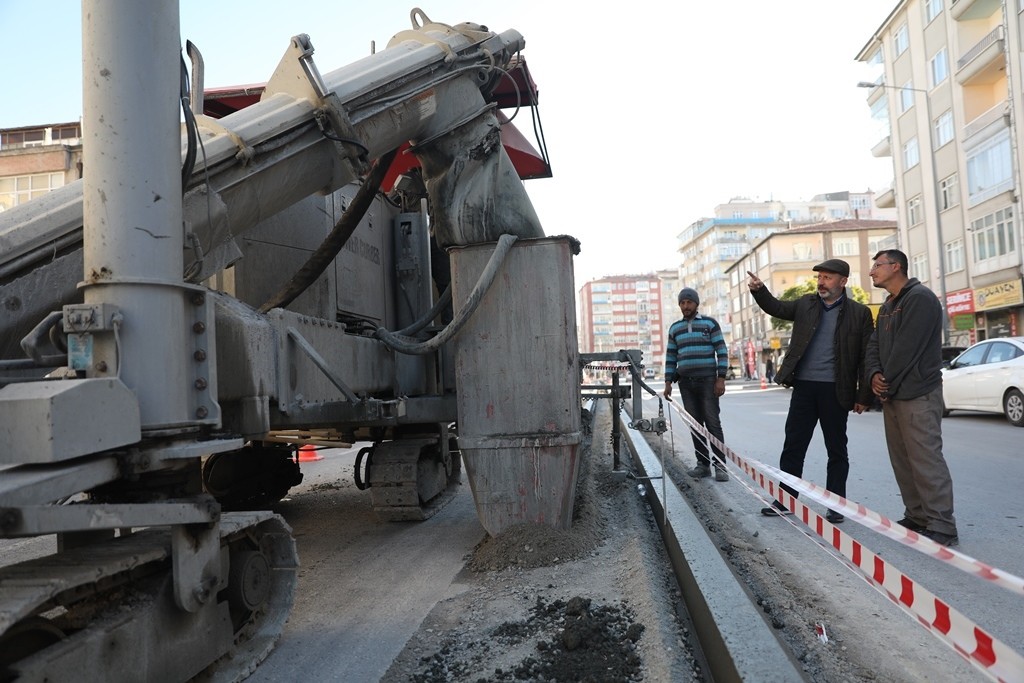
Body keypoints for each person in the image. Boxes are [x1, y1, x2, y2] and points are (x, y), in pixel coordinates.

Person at [747, 259, 874, 524]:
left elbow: (865, 356)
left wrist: (863, 396)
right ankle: (786, 499)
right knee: (793, 446)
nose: (821, 282)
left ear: (843, 281)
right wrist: (760, 290)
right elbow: (777, 307)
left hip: (836, 390)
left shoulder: (859, 313)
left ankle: (836, 504)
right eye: (819, 278)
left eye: (827, 278)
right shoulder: (806, 304)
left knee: (836, 450)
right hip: (804, 387)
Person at [864, 249, 959, 546]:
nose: (871, 271)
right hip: (893, 393)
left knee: (926, 459)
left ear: (896, 267)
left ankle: (942, 525)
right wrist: (873, 375)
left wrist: (885, 381)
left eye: (877, 265)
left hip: (918, 392)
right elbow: (874, 345)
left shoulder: (920, 298)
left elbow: (908, 349)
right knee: (902, 460)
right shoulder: (888, 304)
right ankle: (917, 516)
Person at [663, 287, 730, 482]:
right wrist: (668, 382)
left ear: (696, 304)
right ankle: (703, 465)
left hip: (708, 382)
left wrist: (721, 378)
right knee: (695, 425)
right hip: (686, 384)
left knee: (712, 424)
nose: (685, 306)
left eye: (689, 302)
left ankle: (720, 466)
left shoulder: (710, 324)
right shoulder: (675, 328)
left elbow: (722, 351)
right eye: (682, 303)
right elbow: (671, 357)